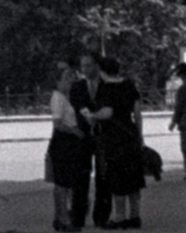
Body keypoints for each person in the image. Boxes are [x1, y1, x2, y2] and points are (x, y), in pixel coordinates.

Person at [88, 54, 144, 230]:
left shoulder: (106, 89)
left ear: (103, 71)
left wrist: (92, 116)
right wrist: (139, 134)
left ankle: (120, 218)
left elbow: (107, 113)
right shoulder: (129, 85)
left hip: (114, 138)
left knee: (117, 178)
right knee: (133, 177)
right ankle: (135, 216)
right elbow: (137, 112)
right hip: (130, 135)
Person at [70, 50, 110, 230]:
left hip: (103, 135)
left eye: (88, 65)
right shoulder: (77, 86)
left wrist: (97, 116)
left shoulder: (107, 84)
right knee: (81, 176)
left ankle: (101, 216)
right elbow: (77, 105)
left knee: (103, 176)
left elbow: (110, 105)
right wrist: (87, 115)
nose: (84, 69)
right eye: (82, 65)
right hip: (83, 136)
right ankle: (78, 218)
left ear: (96, 65)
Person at [48, 63, 84, 232]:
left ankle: (60, 217)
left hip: (69, 143)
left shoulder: (66, 96)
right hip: (62, 141)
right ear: (57, 81)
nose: (70, 80)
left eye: (72, 76)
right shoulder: (57, 98)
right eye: (67, 77)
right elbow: (57, 124)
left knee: (66, 182)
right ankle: (64, 219)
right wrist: (74, 131)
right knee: (62, 184)